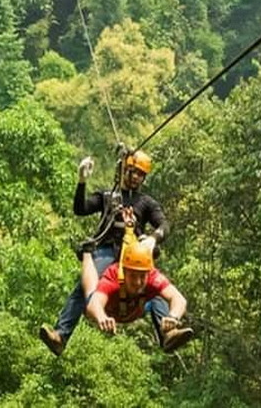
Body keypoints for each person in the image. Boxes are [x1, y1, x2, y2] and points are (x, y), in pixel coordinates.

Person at [39, 150, 174, 355]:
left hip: (133, 254)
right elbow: (81, 209)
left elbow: (164, 224)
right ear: (124, 171)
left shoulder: (146, 202)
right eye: (133, 172)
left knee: (154, 288)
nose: (136, 177)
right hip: (107, 249)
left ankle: (167, 334)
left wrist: (153, 238)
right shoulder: (107, 196)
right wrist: (82, 181)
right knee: (83, 287)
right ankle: (61, 335)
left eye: (141, 174)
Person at [83, 240, 193, 352]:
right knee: (91, 294)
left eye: (142, 276)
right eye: (133, 276)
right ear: (124, 272)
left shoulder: (152, 276)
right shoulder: (113, 276)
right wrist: (102, 317)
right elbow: (94, 304)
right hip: (110, 312)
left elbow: (179, 299)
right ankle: (86, 254)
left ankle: (169, 334)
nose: (138, 282)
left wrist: (173, 316)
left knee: (160, 294)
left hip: (137, 309)